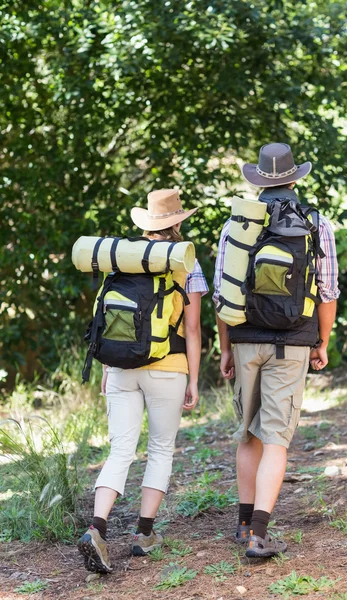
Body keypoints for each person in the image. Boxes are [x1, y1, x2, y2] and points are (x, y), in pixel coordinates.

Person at [214, 143, 340, 558]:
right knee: (276, 440)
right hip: (293, 342)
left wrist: (226, 348)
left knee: (248, 434)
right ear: (294, 177)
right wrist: (322, 341)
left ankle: (244, 523)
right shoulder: (315, 223)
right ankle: (260, 536)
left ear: (259, 181)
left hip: (245, 338)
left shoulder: (237, 225)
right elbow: (327, 291)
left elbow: (223, 293)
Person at [78, 189, 208, 573]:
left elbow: (108, 320)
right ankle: (143, 534)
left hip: (119, 367)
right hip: (168, 368)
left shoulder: (120, 259)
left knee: (120, 450)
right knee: (161, 449)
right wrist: (194, 379)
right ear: (178, 223)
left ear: (146, 224)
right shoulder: (185, 262)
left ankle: (97, 529)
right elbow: (193, 328)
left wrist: (106, 368)